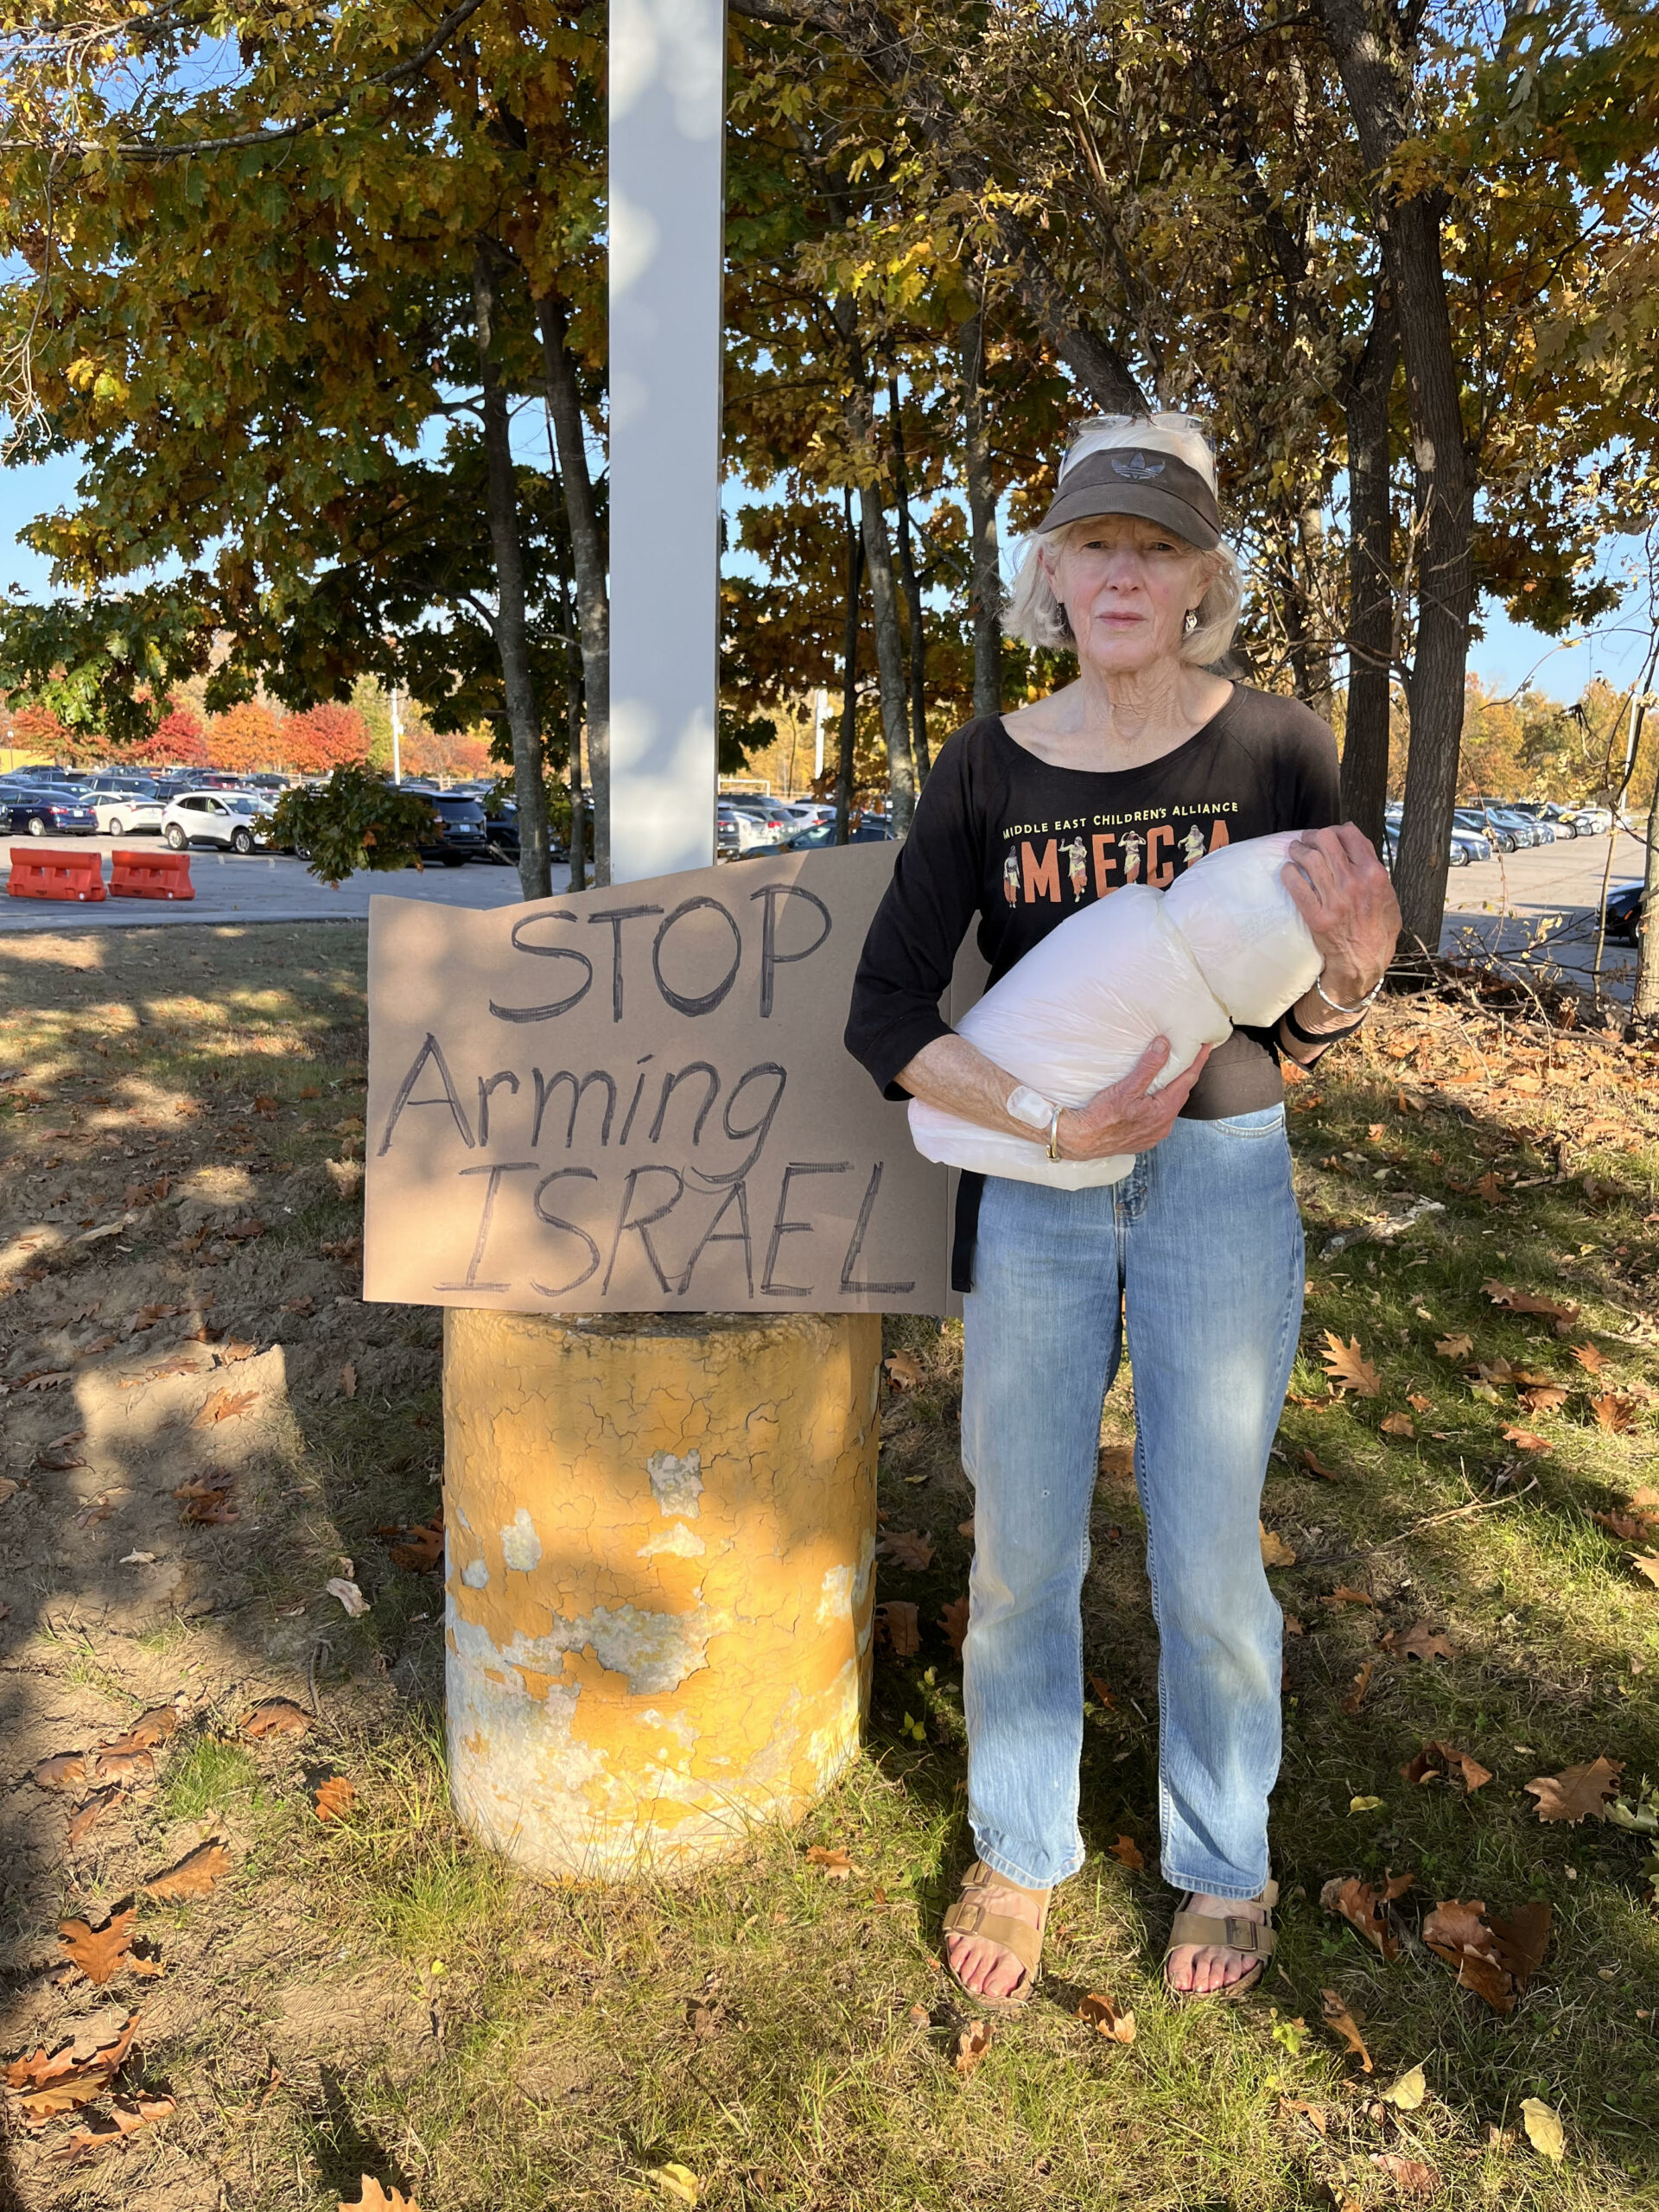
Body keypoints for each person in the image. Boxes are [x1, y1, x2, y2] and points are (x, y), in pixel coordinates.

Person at [844, 412, 1402, 2009]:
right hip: (1038, 1191)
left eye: (1157, 549)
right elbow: (887, 1014)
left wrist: (1357, 980)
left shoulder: (1279, 749)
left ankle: (1223, 1863)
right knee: (1022, 1533)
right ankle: (1020, 1845)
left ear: (1203, 580)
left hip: (1221, 1177)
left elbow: (1308, 1016)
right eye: (1096, 544)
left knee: (1210, 1542)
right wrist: (1048, 1118)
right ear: (1053, 571)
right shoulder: (989, 764)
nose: (1123, 574)